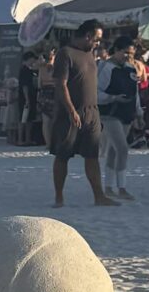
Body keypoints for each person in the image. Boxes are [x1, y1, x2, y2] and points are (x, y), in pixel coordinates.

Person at [46, 20, 118, 210]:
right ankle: (59, 197)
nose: (97, 44)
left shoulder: (89, 54)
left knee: (92, 155)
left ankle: (99, 196)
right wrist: (71, 111)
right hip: (70, 113)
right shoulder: (65, 53)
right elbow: (61, 85)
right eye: (96, 39)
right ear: (87, 36)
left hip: (92, 112)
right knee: (63, 155)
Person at [98, 38, 140, 199]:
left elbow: (135, 93)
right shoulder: (106, 67)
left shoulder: (130, 69)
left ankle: (109, 187)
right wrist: (112, 98)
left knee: (113, 151)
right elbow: (96, 91)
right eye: (124, 52)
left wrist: (138, 112)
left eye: (131, 54)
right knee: (122, 148)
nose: (127, 56)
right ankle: (121, 187)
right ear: (115, 50)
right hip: (110, 112)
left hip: (127, 112)